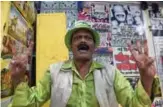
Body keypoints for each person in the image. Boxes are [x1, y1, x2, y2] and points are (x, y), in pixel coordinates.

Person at [9, 20, 161, 107]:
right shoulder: (54, 71)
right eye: (77, 38)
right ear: (71, 46)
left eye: (88, 38)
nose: (82, 40)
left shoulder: (111, 73)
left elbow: (135, 104)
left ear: (94, 46)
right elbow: (28, 104)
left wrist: (146, 78)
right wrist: (18, 79)